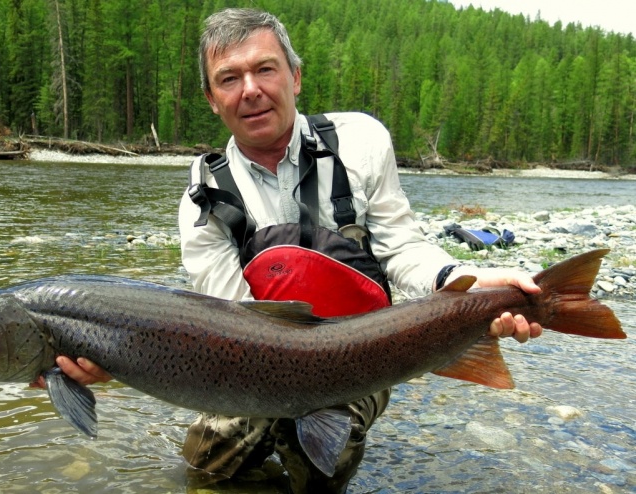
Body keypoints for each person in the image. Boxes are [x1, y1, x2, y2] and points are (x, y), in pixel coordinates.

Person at [42, 8, 543, 493]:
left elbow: (402, 248)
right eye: (229, 78)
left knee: (320, 467)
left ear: (296, 77)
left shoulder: (361, 142)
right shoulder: (204, 195)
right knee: (208, 466)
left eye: (265, 69)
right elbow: (225, 320)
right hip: (257, 357)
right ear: (212, 99)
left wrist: (467, 281)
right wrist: (123, 360)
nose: (251, 90)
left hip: (367, 352)